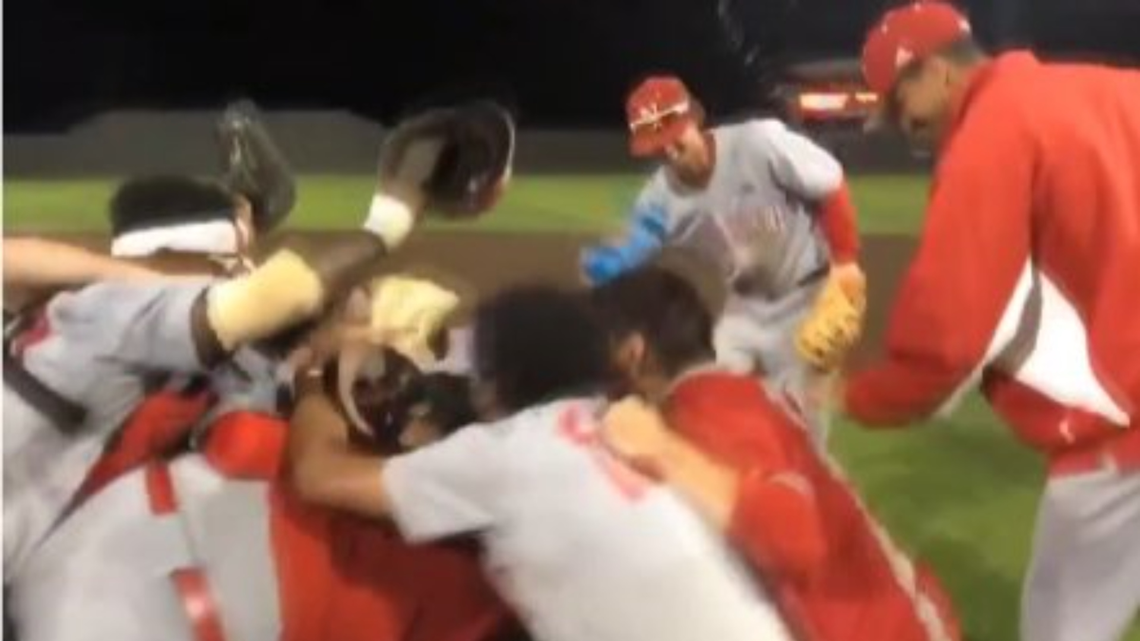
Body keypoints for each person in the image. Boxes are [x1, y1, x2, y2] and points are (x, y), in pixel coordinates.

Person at [2, 100, 516, 581]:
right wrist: (390, 221)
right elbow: (277, 298)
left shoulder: (90, 313)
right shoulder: (111, 311)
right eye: (237, 257)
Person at [817, 3, 1140, 641]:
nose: (904, 126)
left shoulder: (991, 136)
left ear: (935, 71)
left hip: (1119, 449)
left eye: (899, 101)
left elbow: (944, 340)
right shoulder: (1117, 89)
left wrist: (854, 394)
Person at [287, 283, 794, 641]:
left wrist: (312, 380)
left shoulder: (510, 453)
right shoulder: (633, 426)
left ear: (501, 381)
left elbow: (319, 474)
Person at [7, 323, 513, 641]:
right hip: (113, 600)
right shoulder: (464, 590)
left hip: (60, 570)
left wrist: (319, 382)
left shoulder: (263, 438)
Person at [588, 265, 959, 641]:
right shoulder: (727, 394)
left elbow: (794, 537)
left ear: (634, 352)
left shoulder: (714, 410)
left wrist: (663, 450)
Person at [579, 74, 867, 446]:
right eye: (655, 145)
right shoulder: (658, 200)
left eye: (672, 135)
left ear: (694, 119)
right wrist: (611, 266)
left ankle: (810, 492)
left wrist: (846, 264)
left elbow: (831, 184)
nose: (667, 150)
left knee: (804, 428)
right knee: (698, 391)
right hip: (745, 307)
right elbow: (636, 244)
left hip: (807, 298)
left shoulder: (758, 143)